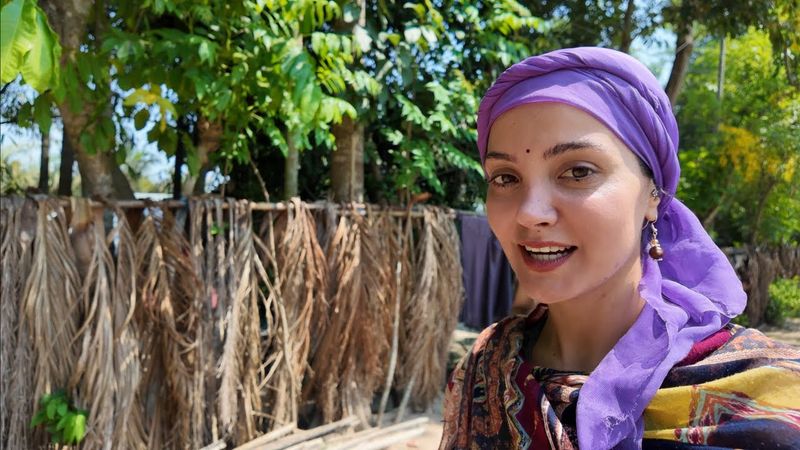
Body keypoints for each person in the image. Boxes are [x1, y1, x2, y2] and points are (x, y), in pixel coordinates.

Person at [439, 47, 800, 449]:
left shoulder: (769, 401)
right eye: (505, 178)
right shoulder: (485, 366)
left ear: (653, 196)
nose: (529, 213)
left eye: (578, 171)